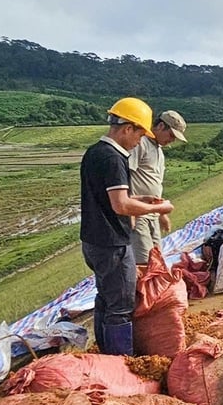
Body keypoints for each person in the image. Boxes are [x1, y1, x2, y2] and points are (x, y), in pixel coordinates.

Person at [80, 97, 175, 355]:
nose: (138, 141)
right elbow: (121, 206)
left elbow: (111, 198)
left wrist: (140, 200)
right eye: (138, 134)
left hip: (93, 241)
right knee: (121, 304)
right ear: (127, 128)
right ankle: (122, 361)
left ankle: (105, 352)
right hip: (112, 243)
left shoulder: (94, 152)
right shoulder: (114, 158)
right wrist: (157, 209)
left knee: (105, 298)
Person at [128, 110, 188, 265]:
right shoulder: (140, 144)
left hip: (153, 213)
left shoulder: (159, 150)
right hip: (139, 213)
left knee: (157, 260)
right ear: (161, 126)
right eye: (171, 135)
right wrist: (130, 213)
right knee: (145, 263)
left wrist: (161, 213)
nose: (172, 141)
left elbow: (155, 184)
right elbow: (125, 176)